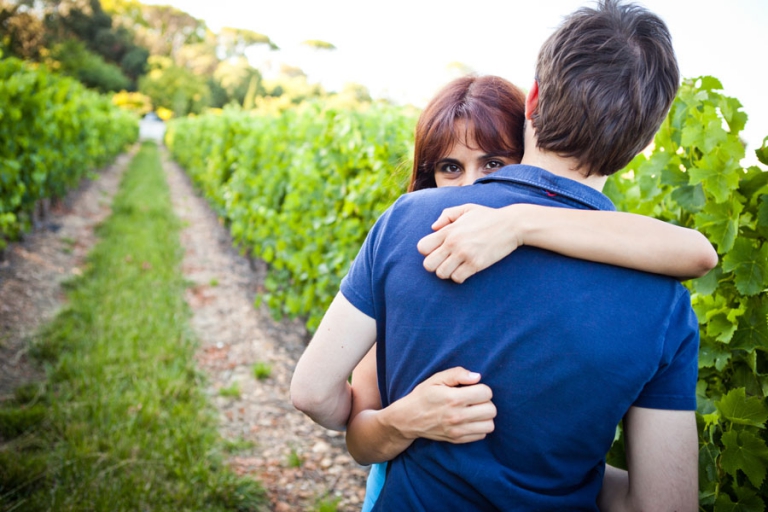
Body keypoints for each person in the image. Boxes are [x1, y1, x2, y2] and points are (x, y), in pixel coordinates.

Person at [292, 1, 701, 509]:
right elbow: (663, 505)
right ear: (646, 143)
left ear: (532, 100)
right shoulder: (664, 302)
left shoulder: (409, 222)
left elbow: (311, 391)